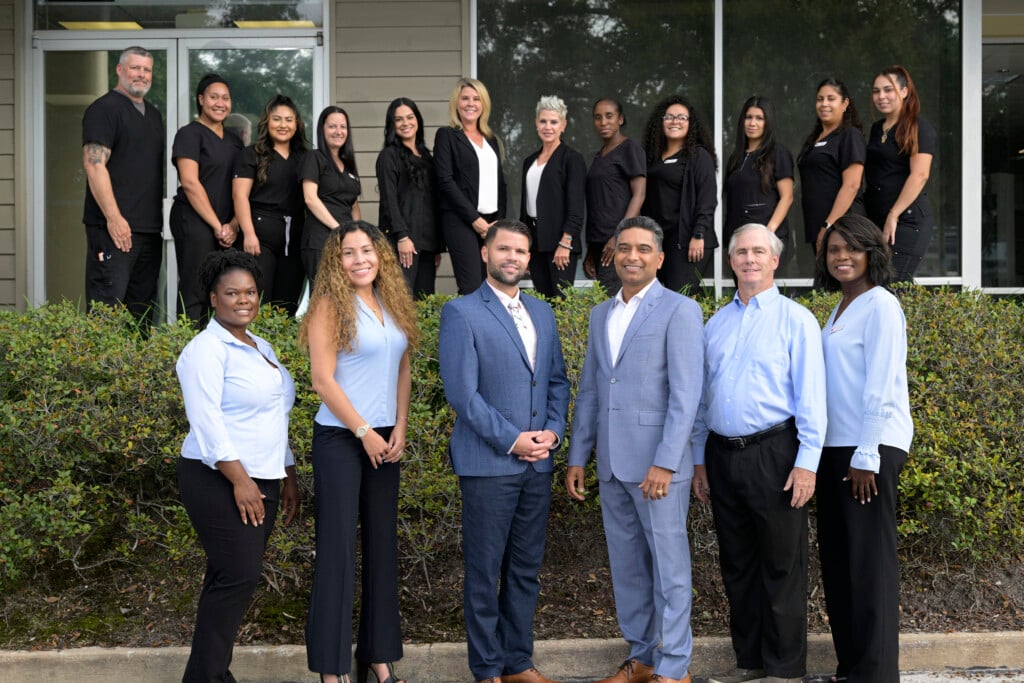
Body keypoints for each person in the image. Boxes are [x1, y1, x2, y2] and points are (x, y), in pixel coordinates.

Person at [566, 215, 704, 683]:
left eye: (643, 249)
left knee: (669, 570)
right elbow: (590, 390)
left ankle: (675, 666)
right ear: (614, 254)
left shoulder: (680, 311)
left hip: (658, 467)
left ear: (660, 258)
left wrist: (666, 461)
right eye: (624, 248)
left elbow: (687, 396)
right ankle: (642, 657)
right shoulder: (600, 313)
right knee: (627, 569)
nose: (632, 256)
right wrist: (578, 456)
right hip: (610, 465)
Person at [691, 223, 827, 683]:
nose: (749, 259)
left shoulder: (796, 319)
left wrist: (807, 462)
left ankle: (785, 671)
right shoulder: (715, 323)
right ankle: (749, 664)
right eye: (741, 252)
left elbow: (812, 397)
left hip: (776, 454)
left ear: (774, 260)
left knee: (781, 565)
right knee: (738, 566)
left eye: (758, 252)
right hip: (722, 456)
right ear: (730, 262)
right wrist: (698, 461)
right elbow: (701, 400)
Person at [438, 219, 570, 683]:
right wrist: (514, 440)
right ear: (485, 254)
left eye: (520, 251)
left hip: (538, 465)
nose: (512, 257)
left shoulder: (544, 313)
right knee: (484, 571)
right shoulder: (461, 312)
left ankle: (518, 662)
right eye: (503, 250)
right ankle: (487, 668)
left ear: (528, 259)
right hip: (490, 463)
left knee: (525, 570)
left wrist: (553, 433)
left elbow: (556, 381)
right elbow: (463, 394)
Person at [301, 221, 418, 683]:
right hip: (340, 440)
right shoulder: (329, 305)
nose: (359, 260)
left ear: (380, 256)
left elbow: (402, 368)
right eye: (348, 253)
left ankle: (378, 657)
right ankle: (332, 670)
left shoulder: (391, 303)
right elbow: (322, 380)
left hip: (386, 440)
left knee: (382, 548)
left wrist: (400, 427)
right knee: (336, 552)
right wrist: (364, 430)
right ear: (336, 261)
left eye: (366, 251)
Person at [176, 250, 299, 683]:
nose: (242, 300)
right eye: (232, 293)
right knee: (239, 575)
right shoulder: (204, 351)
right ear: (213, 298)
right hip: (218, 478)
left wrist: (287, 474)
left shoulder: (260, 346)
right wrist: (243, 482)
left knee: (227, 577)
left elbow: (274, 415)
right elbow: (207, 424)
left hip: (262, 477)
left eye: (249, 292)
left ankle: (210, 674)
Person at [813, 214, 913, 683]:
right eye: (834, 249)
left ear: (873, 253)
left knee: (869, 564)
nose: (842, 257)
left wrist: (866, 455)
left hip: (867, 450)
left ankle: (875, 674)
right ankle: (851, 667)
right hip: (836, 449)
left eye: (851, 248)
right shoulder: (839, 309)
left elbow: (880, 386)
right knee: (839, 563)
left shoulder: (881, 306)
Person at [81, 45, 165, 326]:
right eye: (135, 68)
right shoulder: (104, 109)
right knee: (105, 309)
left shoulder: (153, 115)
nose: (141, 75)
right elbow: (94, 165)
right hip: (112, 229)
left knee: (141, 313)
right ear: (119, 70)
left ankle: (136, 370)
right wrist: (113, 218)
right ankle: (99, 371)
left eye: (146, 70)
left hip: (149, 230)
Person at [170, 73, 244, 325]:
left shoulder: (235, 141)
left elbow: (243, 188)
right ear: (201, 99)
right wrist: (217, 226)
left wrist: (233, 225)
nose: (220, 103)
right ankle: (189, 353)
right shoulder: (189, 134)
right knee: (196, 289)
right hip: (195, 221)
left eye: (225, 98)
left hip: (228, 226)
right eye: (214, 97)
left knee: (226, 291)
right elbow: (190, 183)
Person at [232, 94, 308, 314]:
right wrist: (248, 233)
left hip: (295, 237)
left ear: (297, 124)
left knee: (287, 306)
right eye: (277, 119)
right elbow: (240, 197)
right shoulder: (251, 154)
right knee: (258, 300)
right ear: (267, 122)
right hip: (259, 236)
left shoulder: (305, 158)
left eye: (288, 119)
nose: (283, 125)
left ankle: (280, 349)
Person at [434, 78, 507, 295]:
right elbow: (445, 181)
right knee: (472, 286)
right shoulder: (447, 135)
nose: (470, 103)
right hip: (461, 222)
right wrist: (474, 220)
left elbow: (500, 184)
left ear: (483, 104)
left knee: (493, 285)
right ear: (456, 103)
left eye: (476, 99)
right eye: (465, 98)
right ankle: (471, 329)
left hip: (491, 222)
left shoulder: (490, 139)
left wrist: (498, 222)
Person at [864, 65, 936, 281]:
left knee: (892, 283)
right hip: (877, 219)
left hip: (906, 220)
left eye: (889, 90)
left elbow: (920, 175)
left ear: (904, 92)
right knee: (878, 287)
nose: (881, 96)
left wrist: (893, 214)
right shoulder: (877, 129)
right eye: (876, 91)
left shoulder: (919, 127)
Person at [641, 95, 718, 293]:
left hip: (688, 240)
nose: (675, 121)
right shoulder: (652, 157)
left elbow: (707, 199)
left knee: (679, 295)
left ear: (691, 124)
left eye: (682, 117)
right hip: (660, 240)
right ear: (661, 122)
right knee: (658, 296)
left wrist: (698, 233)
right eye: (669, 117)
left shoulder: (698, 156)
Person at [518, 95, 585, 298]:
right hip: (536, 242)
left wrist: (565, 243)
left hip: (560, 244)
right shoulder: (529, 161)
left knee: (561, 302)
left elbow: (576, 208)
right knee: (542, 302)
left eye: (554, 122)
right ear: (536, 123)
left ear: (563, 125)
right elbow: (525, 209)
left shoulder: (572, 159)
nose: (548, 127)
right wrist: (524, 247)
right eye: (543, 121)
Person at [376, 97, 442, 297]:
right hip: (401, 242)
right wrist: (402, 236)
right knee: (400, 303)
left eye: (410, 117)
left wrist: (436, 246)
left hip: (426, 245)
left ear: (418, 120)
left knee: (424, 303)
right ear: (392, 125)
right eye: (399, 119)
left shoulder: (427, 157)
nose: (406, 123)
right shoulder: (389, 156)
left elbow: (431, 204)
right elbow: (389, 201)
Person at [723, 95, 795, 272]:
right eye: (748, 117)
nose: (752, 123)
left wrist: (767, 233)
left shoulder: (778, 153)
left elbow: (787, 197)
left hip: (767, 241)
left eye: (759, 118)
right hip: (739, 242)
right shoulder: (736, 158)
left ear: (768, 122)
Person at [797, 78, 865, 256]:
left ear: (845, 103)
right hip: (818, 226)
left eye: (831, 98)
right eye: (820, 99)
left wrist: (828, 225)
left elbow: (852, 185)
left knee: (841, 282)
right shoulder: (813, 140)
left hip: (842, 228)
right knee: (826, 282)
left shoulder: (850, 135)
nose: (824, 104)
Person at [585, 98, 646, 295]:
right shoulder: (598, 155)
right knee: (606, 303)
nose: (603, 122)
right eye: (598, 117)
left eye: (609, 116)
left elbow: (639, 194)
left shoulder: (629, 149)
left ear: (620, 119)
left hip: (618, 242)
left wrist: (619, 236)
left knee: (617, 303)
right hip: (599, 244)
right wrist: (590, 249)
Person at [301, 106, 362, 282]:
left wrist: (357, 233)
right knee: (325, 299)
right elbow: (310, 198)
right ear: (322, 129)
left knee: (347, 298)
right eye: (332, 126)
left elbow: (353, 204)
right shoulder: (314, 158)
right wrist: (338, 228)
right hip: (321, 240)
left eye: (343, 127)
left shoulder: (348, 164)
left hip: (346, 242)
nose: (338, 131)